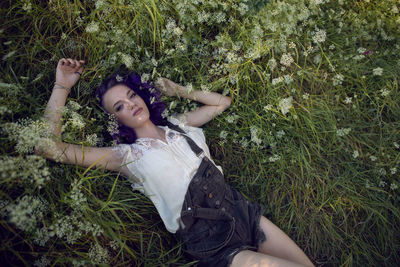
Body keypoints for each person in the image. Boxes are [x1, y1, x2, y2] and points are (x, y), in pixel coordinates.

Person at [35, 58, 314, 267]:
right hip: (213, 241)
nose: (130, 104)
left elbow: (221, 103)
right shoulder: (126, 156)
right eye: (119, 106)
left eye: (131, 95)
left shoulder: (179, 126)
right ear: (115, 120)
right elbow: (49, 148)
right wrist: (62, 85)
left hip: (241, 211)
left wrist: (178, 90)